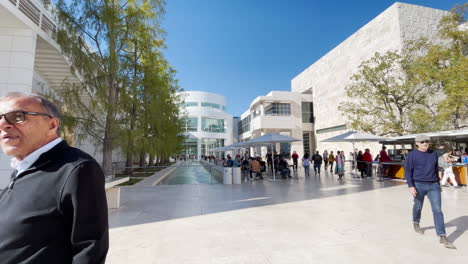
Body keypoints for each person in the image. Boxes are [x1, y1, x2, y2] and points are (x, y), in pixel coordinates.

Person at [0, 92, 109, 263]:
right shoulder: (23, 168)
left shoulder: (77, 169)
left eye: (17, 116)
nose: (4, 124)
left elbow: (89, 249)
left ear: (51, 124)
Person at [404, 135, 456, 249]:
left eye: (427, 141)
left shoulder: (432, 154)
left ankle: (442, 236)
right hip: (418, 185)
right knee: (418, 206)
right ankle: (416, 222)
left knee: (437, 210)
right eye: (422, 142)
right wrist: (410, 186)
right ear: (417, 143)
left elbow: (435, 168)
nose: (425, 143)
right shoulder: (412, 155)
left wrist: (438, 183)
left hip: (433, 185)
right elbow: (407, 171)